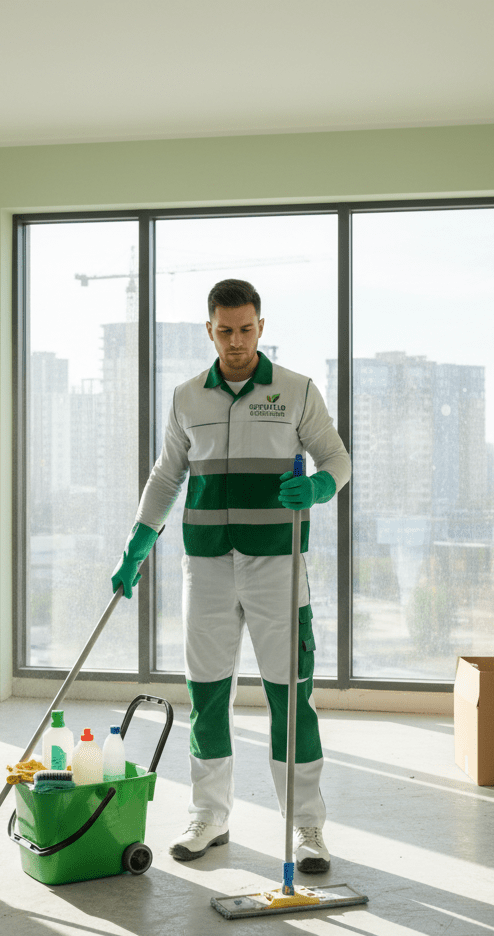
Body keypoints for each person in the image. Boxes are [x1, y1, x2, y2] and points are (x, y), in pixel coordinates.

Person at [111, 279, 350, 872]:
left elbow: (337, 459)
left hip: (277, 564)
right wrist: (139, 541)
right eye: (225, 331)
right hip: (207, 564)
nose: (236, 341)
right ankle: (209, 816)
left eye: (246, 329)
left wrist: (319, 486)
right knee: (208, 693)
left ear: (260, 327)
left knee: (290, 695)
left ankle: (307, 826)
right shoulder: (187, 397)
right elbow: (167, 475)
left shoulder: (296, 390)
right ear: (210, 330)